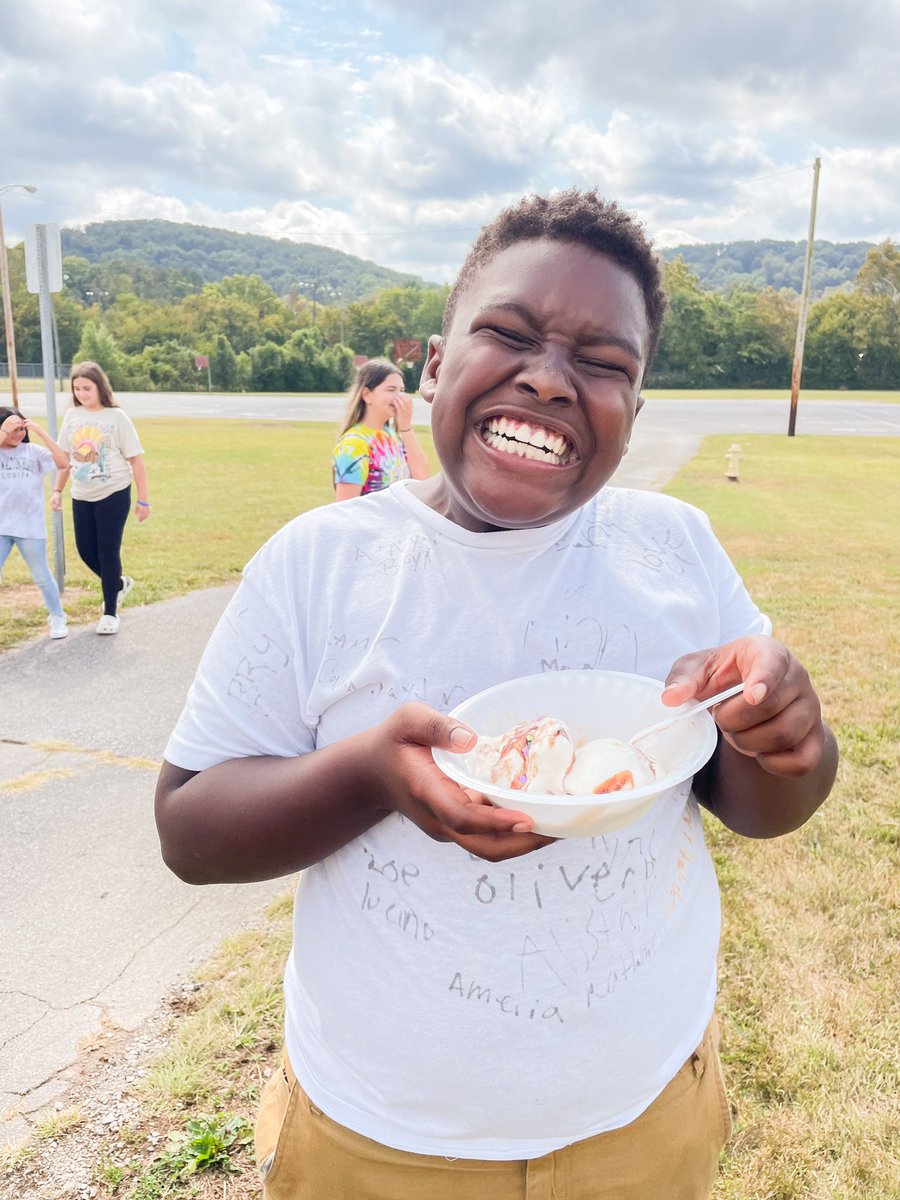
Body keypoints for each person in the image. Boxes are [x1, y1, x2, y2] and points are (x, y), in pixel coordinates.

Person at [155, 190, 838, 1200]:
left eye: (605, 363)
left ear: (636, 409)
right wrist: (369, 775)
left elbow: (757, 803)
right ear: (436, 364)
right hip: (382, 1138)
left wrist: (792, 740)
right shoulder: (322, 565)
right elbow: (189, 831)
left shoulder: (675, 551)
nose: (550, 379)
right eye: (509, 334)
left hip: (643, 1115)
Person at [51, 362, 150, 635]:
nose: (82, 393)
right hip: (81, 494)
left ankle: (110, 613)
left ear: (99, 387)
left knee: (108, 551)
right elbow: (65, 459)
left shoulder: (116, 417)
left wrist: (143, 500)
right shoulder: (72, 415)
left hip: (114, 492)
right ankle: (117, 584)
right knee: (85, 550)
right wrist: (57, 491)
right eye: (77, 388)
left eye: (87, 388)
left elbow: (137, 461)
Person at [0, 407, 69, 640]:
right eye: (13, 429)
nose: (18, 433)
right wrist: (4, 430)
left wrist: (39, 430)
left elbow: (63, 463)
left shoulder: (32, 452)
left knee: (41, 575)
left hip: (29, 527)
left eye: (21, 428)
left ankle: (57, 616)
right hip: (1, 528)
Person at [332, 358, 431, 499]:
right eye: (391, 390)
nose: (399, 397)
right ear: (366, 395)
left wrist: (406, 427)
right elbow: (345, 507)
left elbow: (421, 479)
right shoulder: (354, 444)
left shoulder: (391, 435)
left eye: (401, 390)